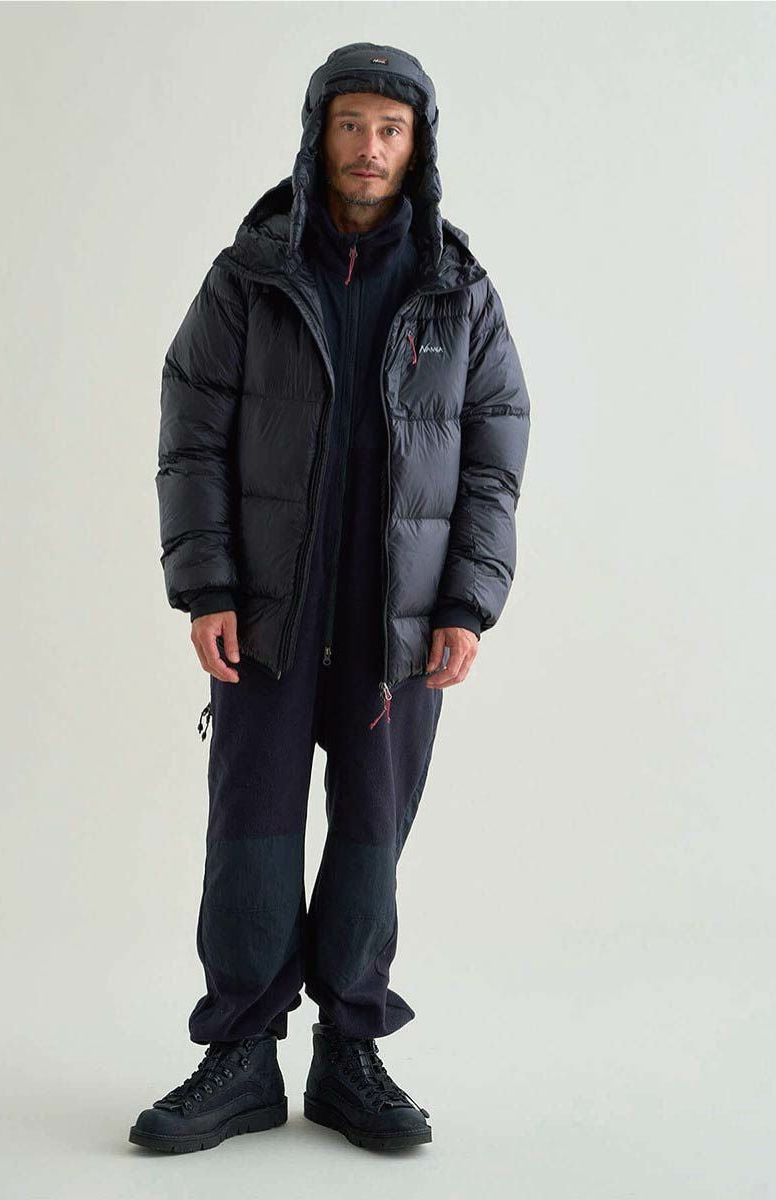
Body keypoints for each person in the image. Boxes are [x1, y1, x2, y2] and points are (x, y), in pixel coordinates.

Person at [130, 41, 530, 1155]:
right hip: (268, 609)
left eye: (391, 130)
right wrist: (206, 585)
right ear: (319, 134)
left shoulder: (459, 291)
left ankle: (350, 1051)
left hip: (395, 624)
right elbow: (191, 431)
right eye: (352, 124)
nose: (369, 147)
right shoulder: (250, 273)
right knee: (251, 830)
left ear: (418, 146)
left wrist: (467, 605)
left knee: (369, 835)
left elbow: (494, 458)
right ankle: (242, 1056)